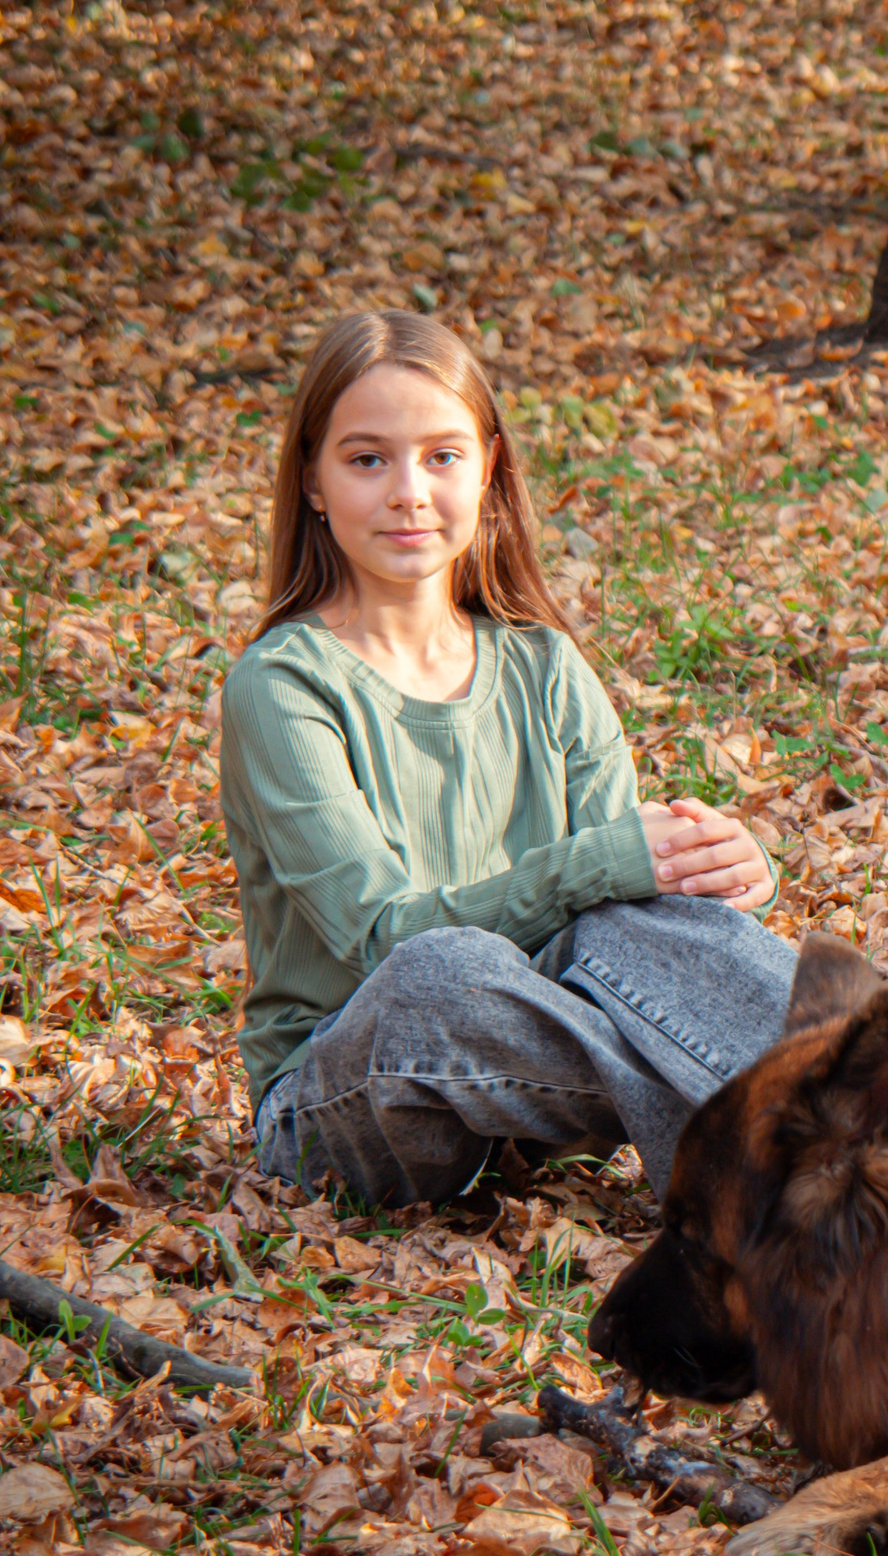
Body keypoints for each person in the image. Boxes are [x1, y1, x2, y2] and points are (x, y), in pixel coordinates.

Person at [218, 310, 795, 1207]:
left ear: (489, 468)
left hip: (536, 1092)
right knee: (438, 970)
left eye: (442, 456)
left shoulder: (544, 666)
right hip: (349, 1102)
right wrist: (609, 863)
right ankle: (786, 1151)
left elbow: (623, 923)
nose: (408, 490)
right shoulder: (283, 688)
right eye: (368, 458)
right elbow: (381, 943)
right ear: (314, 482)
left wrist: (717, 871)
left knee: (653, 924)